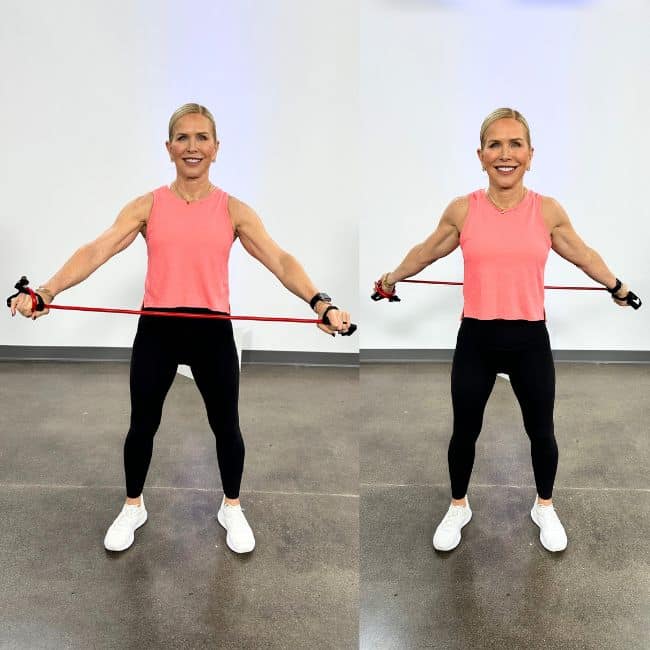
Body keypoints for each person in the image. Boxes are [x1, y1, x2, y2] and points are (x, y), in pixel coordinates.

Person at [10, 102, 353, 554]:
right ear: (169, 147)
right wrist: (46, 291)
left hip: (212, 331)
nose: (192, 147)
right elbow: (97, 250)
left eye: (201, 138)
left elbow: (279, 259)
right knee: (142, 425)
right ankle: (134, 505)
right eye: (183, 138)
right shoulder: (148, 205)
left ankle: (231, 506)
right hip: (158, 328)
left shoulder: (234, 210)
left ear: (216, 148)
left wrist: (319, 301)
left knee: (226, 426)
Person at [373, 107, 638, 552]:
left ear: (531, 155)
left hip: (529, 340)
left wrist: (616, 285)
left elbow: (583, 253)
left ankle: (545, 506)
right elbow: (427, 250)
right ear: (480, 155)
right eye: (494, 145)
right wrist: (390, 279)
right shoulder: (464, 210)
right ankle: (459, 506)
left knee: (542, 432)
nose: (505, 154)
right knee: (464, 431)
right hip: (476, 338)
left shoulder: (547, 211)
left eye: (515, 144)